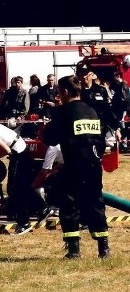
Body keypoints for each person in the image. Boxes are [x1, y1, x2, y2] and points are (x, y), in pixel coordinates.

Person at [42, 75, 110, 259]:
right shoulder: (91, 110)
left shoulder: (64, 112)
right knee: (96, 203)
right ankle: (103, 248)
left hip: (73, 166)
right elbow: (101, 139)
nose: (58, 96)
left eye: (58, 92)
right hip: (94, 166)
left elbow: (50, 138)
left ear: (64, 92)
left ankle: (74, 250)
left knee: (70, 205)